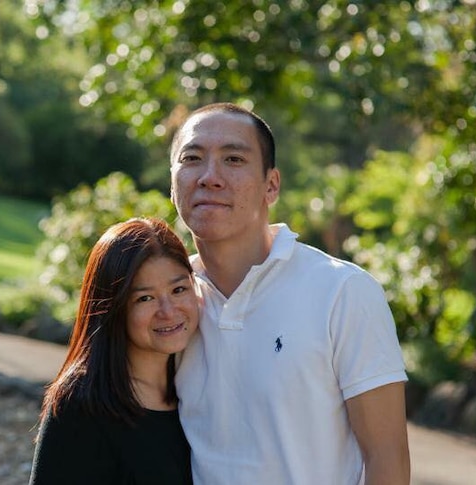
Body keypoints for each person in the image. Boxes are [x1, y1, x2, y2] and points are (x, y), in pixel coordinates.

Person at [170, 102, 410, 484]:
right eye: (192, 158)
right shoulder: (172, 305)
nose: (209, 177)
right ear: (173, 182)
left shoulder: (342, 291)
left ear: (271, 185)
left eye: (233, 159)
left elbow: (387, 460)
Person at [29, 217, 198, 485]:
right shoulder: (82, 404)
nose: (168, 311)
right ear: (113, 307)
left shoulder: (198, 384)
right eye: (145, 298)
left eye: (178, 289)